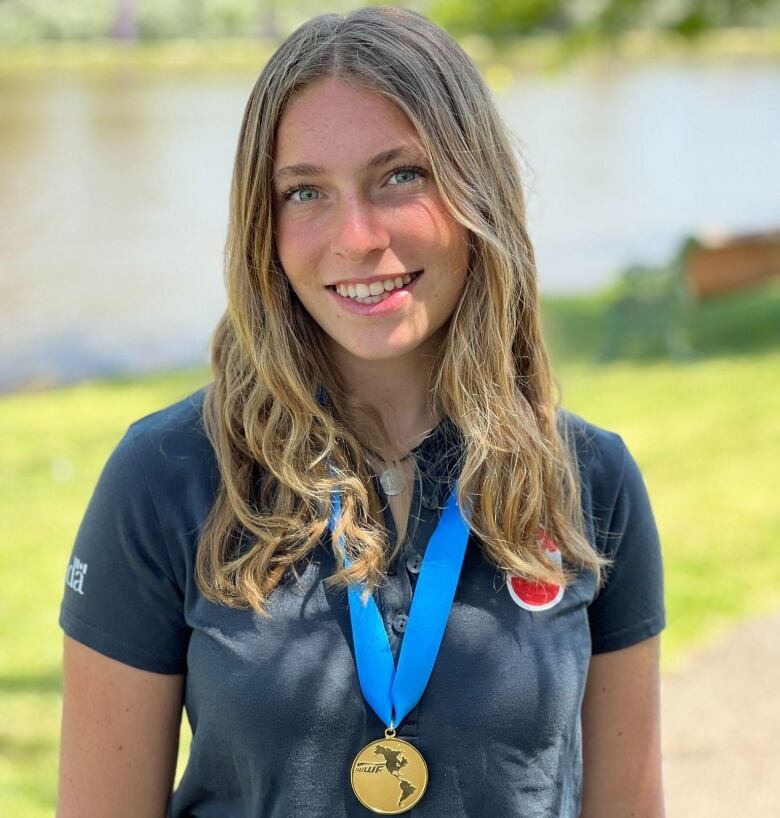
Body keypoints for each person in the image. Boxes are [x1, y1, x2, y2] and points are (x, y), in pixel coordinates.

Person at [56, 7, 666, 817]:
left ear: (476, 189)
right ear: (262, 227)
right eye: (305, 191)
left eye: (401, 176)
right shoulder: (165, 478)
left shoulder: (591, 485)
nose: (355, 236)